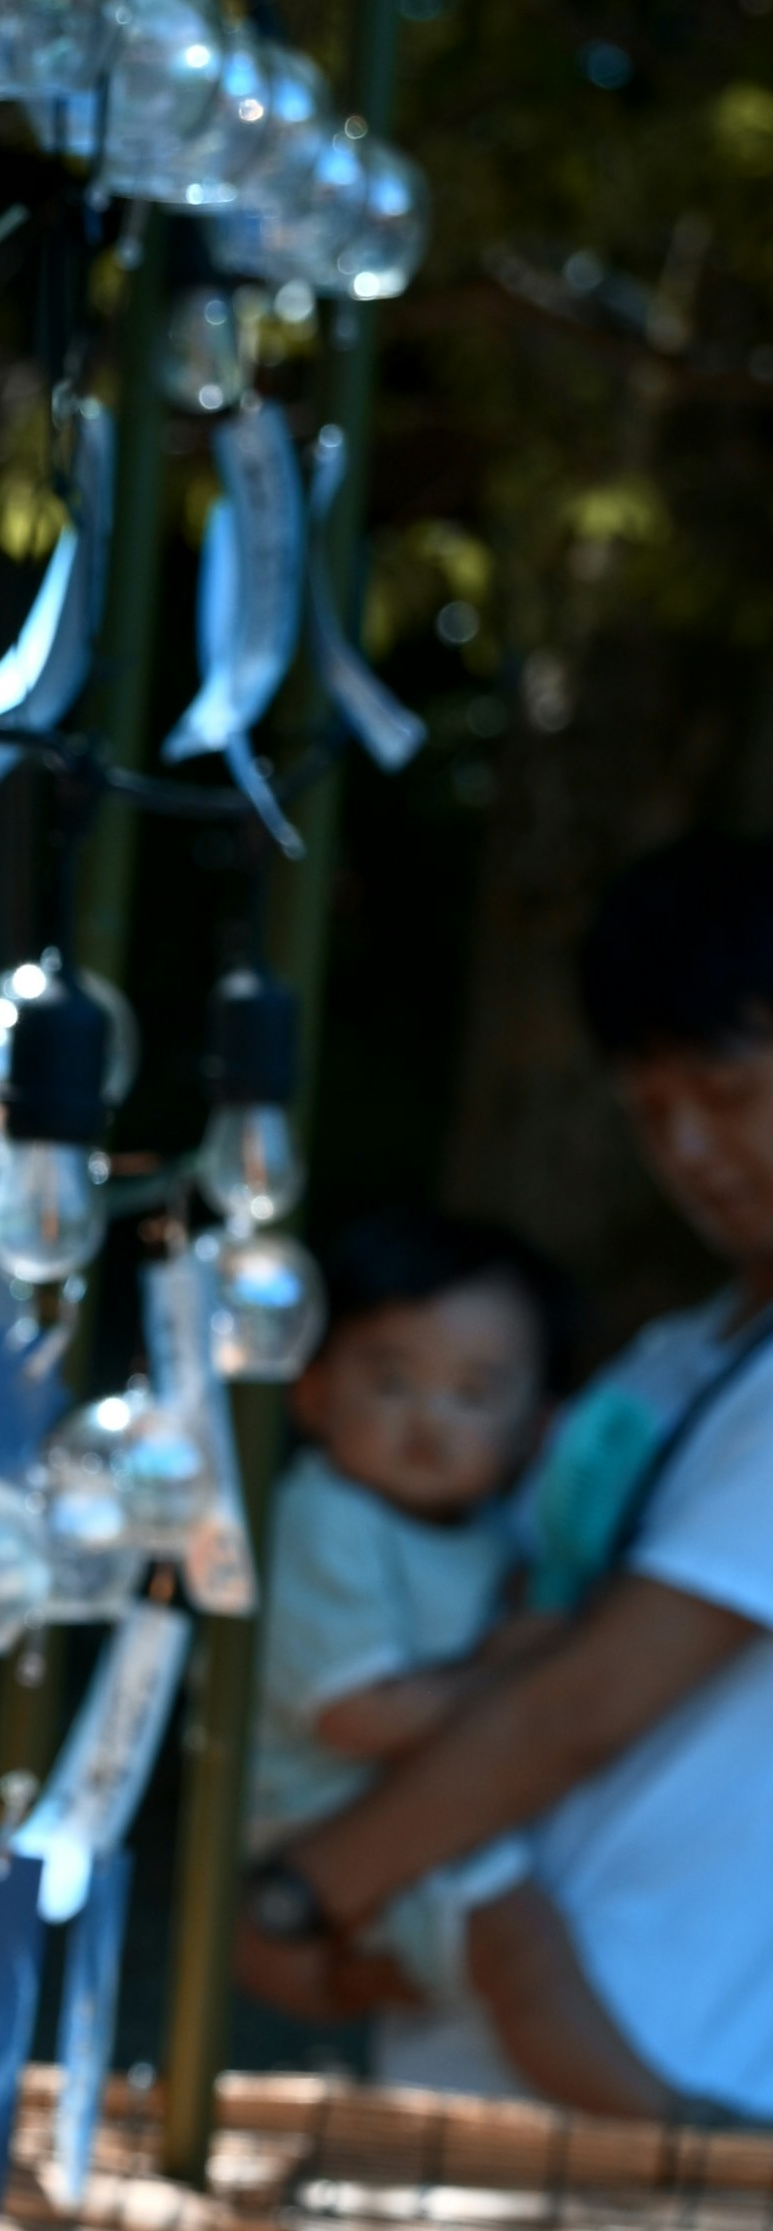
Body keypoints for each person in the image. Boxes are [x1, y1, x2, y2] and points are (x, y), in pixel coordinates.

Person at [251, 832, 773, 2119]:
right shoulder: (671, 1358)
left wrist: (297, 1892)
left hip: (670, 2067)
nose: (693, 1149)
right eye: (652, 1110)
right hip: (461, 2046)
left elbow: (578, 1706)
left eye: (727, 1091)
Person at [240, 1208, 567, 2094]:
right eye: (391, 1385)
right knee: (524, 1956)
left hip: (414, 1809)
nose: (430, 1423)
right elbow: (358, 1715)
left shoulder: (488, 1530)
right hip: (323, 1823)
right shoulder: (324, 1518)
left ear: (535, 1426)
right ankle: (666, 2128)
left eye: (474, 1394)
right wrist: (517, 1665)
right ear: (311, 1392)